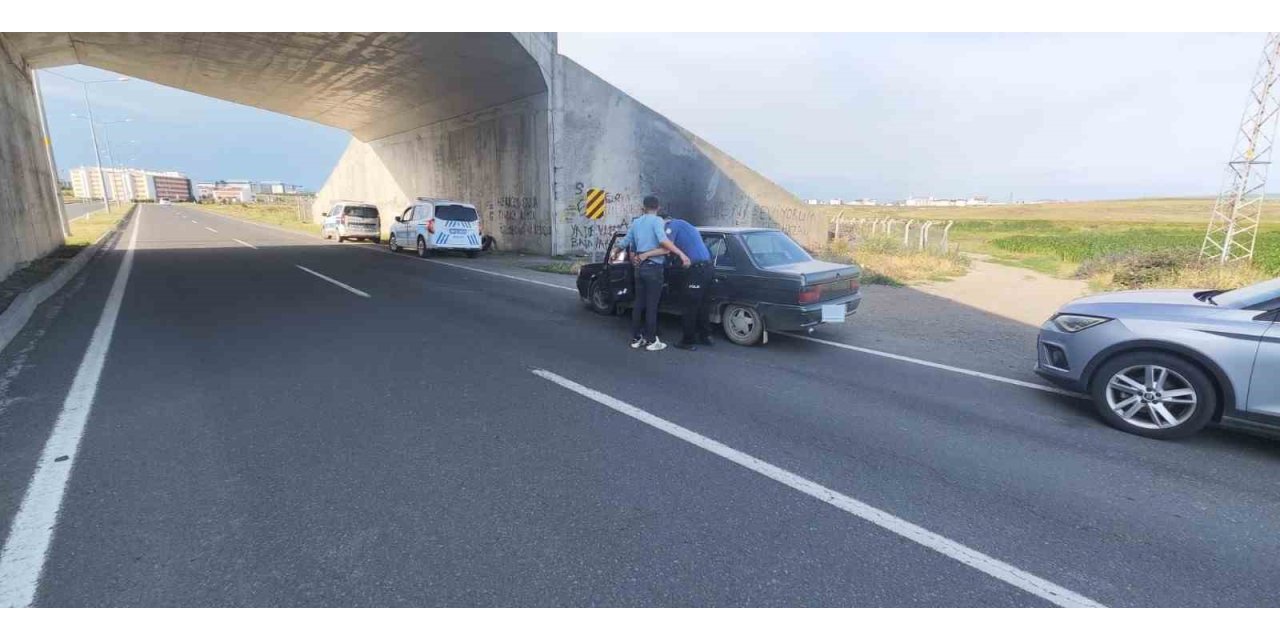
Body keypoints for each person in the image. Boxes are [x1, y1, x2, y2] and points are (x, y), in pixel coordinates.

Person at [620, 196, 674, 351]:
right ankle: (651, 341)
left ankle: (637, 338)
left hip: (639, 267)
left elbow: (627, 243)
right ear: (658, 207)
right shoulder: (657, 221)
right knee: (652, 306)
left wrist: (616, 251)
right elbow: (663, 241)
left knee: (638, 304)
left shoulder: (636, 222)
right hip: (654, 267)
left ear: (643, 207)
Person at [662, 215, 714, 350]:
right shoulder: (687, 225)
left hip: (695, 270)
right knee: (703, 304)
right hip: (707, 268)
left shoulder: (670, 226)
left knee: (690, 306)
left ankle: (687, 341)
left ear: (664, 221)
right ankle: (706, 336)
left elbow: (667, 246)